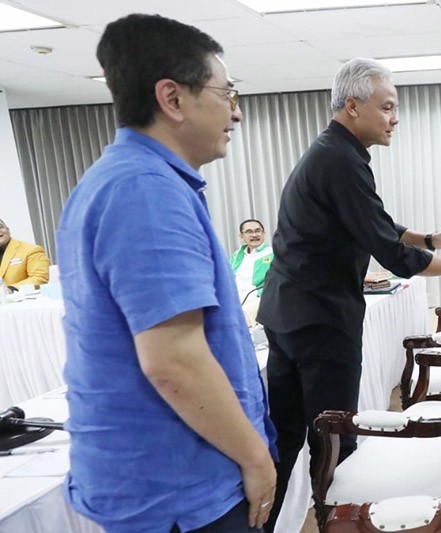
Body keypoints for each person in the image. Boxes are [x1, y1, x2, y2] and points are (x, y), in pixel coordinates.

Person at [256, 57, 441, 531]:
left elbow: (377, 225)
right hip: (320, 322)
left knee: (287, 437)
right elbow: (391, 254)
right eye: (387, 107)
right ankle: (337, 521)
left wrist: (433, 239)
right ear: (352, 106)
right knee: (334, 440)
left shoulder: (332, 153)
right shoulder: (341, 160)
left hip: (288, 315)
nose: (395, 118)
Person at [56, 14, 277, 533]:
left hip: (169, 475)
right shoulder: (144, 190)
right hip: (177, 484)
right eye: (228, 95)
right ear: (172, 99)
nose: (236, 114)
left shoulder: (130, 179)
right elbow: (173, 362)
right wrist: (257, 459)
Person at [230, 218, 273, 325]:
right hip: (235, 297)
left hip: (259, 298)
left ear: (263, 234)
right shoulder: (236, 256)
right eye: (249, 232)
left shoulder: (272, 253)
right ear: (241, 236)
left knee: (239, 316)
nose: (254, 235)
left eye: (258, 231)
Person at [0, 218, 50, 290]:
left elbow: (39, 278)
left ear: (8, 230)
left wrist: (11, 289)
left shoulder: (32, 250)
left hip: (23, 299)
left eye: (0, 227)